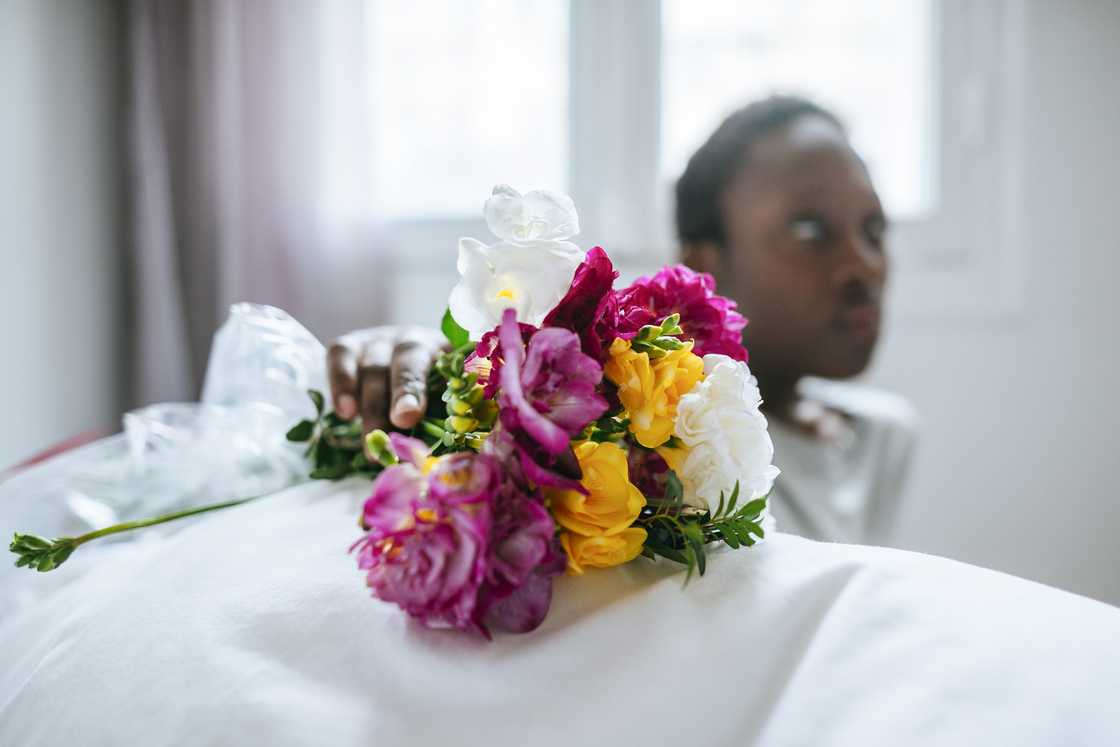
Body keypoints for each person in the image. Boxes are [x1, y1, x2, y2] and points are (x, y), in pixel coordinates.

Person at [326, 96, 917, 545]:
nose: (862, 263)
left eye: (874, 230)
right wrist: (434, 368)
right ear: (704, 263)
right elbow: (541, 416)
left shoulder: (881, 438)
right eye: (810, 230)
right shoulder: (659, 447)